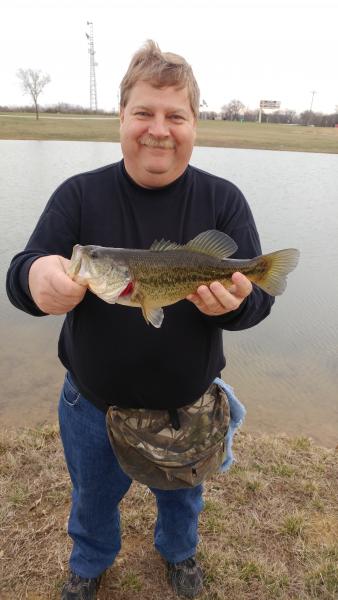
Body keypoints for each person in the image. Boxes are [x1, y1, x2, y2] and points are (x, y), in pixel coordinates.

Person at [6, 40, 274, 599]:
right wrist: (37, 281)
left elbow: (257, 302)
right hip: (91, 405)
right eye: (143, 113)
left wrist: (242, 301)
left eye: (175, 115)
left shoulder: (223, 201)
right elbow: (23, 271)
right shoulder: (78, 195)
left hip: (189, 406)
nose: (158, 129)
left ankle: (179, 555)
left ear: (194, 123)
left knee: (183, 497)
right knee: (92, 496)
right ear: (121, 117)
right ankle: (90, 561)